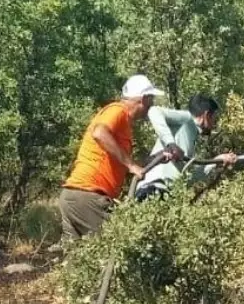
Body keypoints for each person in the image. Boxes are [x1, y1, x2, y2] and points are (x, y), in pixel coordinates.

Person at [59, 74, 170, 241]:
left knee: (78, 262)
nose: (151, 104)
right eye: (151, 99)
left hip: (71, 196)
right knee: (119, 248)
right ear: (142, 99)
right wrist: (131, 166)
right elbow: (99, 133)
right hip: (89, 196)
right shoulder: (118, 110)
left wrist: (155, 159)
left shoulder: (123, 123)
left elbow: (119, 161)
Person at [135, 94, 239, 202]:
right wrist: (171, 144)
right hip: (153, 190)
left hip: (167, 195)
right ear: (206, 114)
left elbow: (188, 179)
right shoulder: (187, 119)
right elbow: (154, 111)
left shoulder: (191, 136)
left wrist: (217, 161)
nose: (214, 124)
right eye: (214, 118)